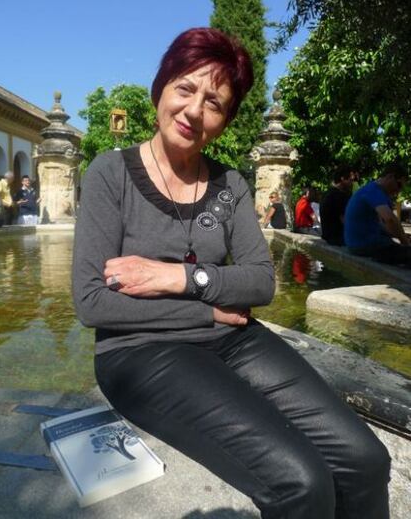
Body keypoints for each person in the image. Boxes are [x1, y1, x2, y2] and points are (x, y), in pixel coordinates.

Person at [73, 27, 390, 518]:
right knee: (300, 482)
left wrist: (179, 278)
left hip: (233, 341)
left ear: (224, 121)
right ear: (161, 87)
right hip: (140, 351)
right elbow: (93, 302)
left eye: (215, 103)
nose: (194, 110)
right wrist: (208, 312)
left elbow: (260, 282)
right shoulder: (109, 173)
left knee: (366, 460)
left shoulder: (229, 186)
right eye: (185, 88)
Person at [345, 162, 411, 267]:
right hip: (364, 246)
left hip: (361, 244)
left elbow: (382, 224)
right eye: (399, 185)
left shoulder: (375, 192)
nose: (399, 190)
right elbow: (390, 220)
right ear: (390, 177)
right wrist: (404, 241)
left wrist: (398, 234)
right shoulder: (374, 191)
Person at [320, 166, 354, 246]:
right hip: (338, 239)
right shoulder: (339, 196)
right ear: (342, 179)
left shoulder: (326, 194)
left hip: (329, 237)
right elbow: (345, 220)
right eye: (350, 180)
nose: (352, 183)